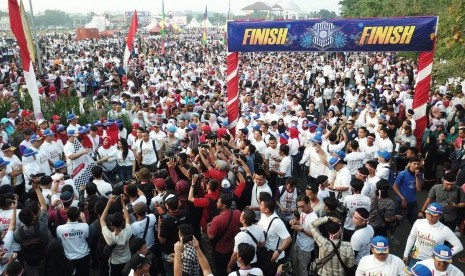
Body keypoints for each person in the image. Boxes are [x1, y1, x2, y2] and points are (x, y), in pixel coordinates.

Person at [403, 202, 463, 268]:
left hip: (432, 262)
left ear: (440, 216)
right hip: (414, 258)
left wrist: (442, 256)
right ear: (425, 213)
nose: (431, 217)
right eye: (429, 214)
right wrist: (406, 254)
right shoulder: (418, 222)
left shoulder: (445, 230)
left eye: (434, 215)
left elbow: (459, 246)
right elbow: (412, 237)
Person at [207, 194, 242, 276]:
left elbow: (211, 236)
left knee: (220, 271)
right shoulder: (238, 213)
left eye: (218, 202)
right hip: (233, 248)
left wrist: (208, 227)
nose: (217, 204)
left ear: (223, 206)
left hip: (220, 251)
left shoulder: (217, 219)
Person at [257, 198, 292, 275]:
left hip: (273, 256)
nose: (259, 205)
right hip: (264, 252)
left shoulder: (277, 222)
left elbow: (288, 239)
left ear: (266, 209)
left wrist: (278, 252)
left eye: (261, 205)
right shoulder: (263, 215)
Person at [100, 195, 133, 276]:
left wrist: (108, 204)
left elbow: (102, 220)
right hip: (127, 260)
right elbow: (127, 218)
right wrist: (122, 203)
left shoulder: (109, 236)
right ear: (122, 223)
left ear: (111, 224)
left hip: (115, 263)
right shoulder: (128, 231)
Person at [227, 208, 265, 273]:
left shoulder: (239, 236)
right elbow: (262, 244)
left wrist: (229, 266)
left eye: (241, 215)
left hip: (241, 264)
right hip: (254, 261)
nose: (240, 216)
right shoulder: (259, 228)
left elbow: (235, 255)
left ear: (243, 221)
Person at [289, 194, 318, 276]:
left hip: (306, 248)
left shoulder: (314, 218)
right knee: (295, 264)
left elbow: (315, 235)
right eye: (299, 207)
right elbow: (302, 223)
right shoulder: (303, 212)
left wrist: (301, 229)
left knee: (303, 268)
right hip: (298, 243)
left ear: (309, 204)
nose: (301, 209)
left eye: (303, 206)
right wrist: (295, 221)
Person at [56, 206, 90, 276]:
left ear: (67, 216)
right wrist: (84, 221)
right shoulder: (85, 226)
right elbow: (87, 236)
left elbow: (60, 239)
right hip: (84, 256)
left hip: (69, 258)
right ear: (78, 217)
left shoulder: (59, 229)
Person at [393, 156, 423, 225]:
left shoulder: (419, 174)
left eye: (418, 164)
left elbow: (418, 189)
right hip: (402, 201)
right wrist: (402, 198)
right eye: (414, 163)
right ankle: (391, 233)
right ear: (409, 163)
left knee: (414, 222)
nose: (416, 166)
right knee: (398, 221)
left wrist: (417, 176)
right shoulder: (402, 174)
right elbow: (394, 186)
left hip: (413, 202)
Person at [350, 208, 374, 273]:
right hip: (367, 257)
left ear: (363, 221)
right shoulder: (370, 227)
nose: (353, 219)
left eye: (356, 218)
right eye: (353, 216)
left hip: (357, 263)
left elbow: (353, 254)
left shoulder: (357, 236)